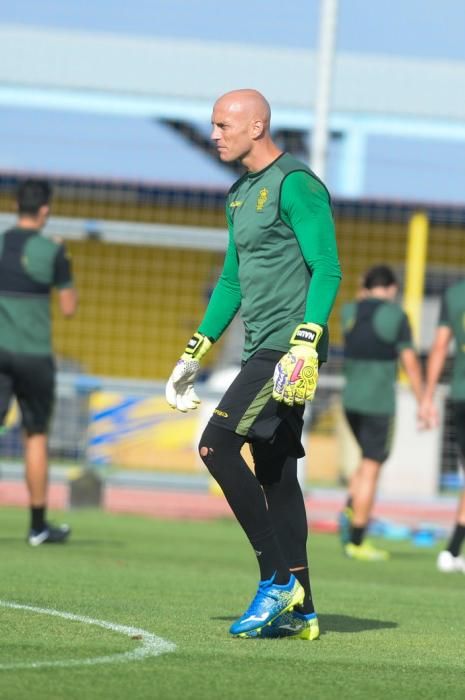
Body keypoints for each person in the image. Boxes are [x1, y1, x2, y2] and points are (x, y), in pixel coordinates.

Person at [166, 89, 341, 640]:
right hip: (257, 345)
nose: (214, 134)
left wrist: (306, 340)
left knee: (215, 445)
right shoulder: (239, 195)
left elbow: (328, 267)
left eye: (222, 125)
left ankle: (276, 581)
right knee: (276, 476)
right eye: (213, 125)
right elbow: (232, 282)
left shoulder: (297, 184)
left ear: (257, 125)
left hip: (286, 350)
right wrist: (194, 352)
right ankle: (304, 612)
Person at [0, 179, 77, 545]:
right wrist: (64, 264)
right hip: (34, 357)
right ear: (45, 209)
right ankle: (37, 527)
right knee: (35, 436)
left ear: (17, 206)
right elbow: (68, 308)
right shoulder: (52, 250)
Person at [339, 265, 424, 561]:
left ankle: (350, 508)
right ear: (391, 288)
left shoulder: (349, 311)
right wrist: (423, 399)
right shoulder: (396, 316)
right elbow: (410, 362)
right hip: (377, 402)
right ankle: (358, 539)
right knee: (373, 467)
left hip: (349, 400)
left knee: (365, 460)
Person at [420, 277, 465, 573]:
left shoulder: (455, 294)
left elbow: (439, 347)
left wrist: (427, 396)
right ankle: (452, 548)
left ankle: (453, 548)